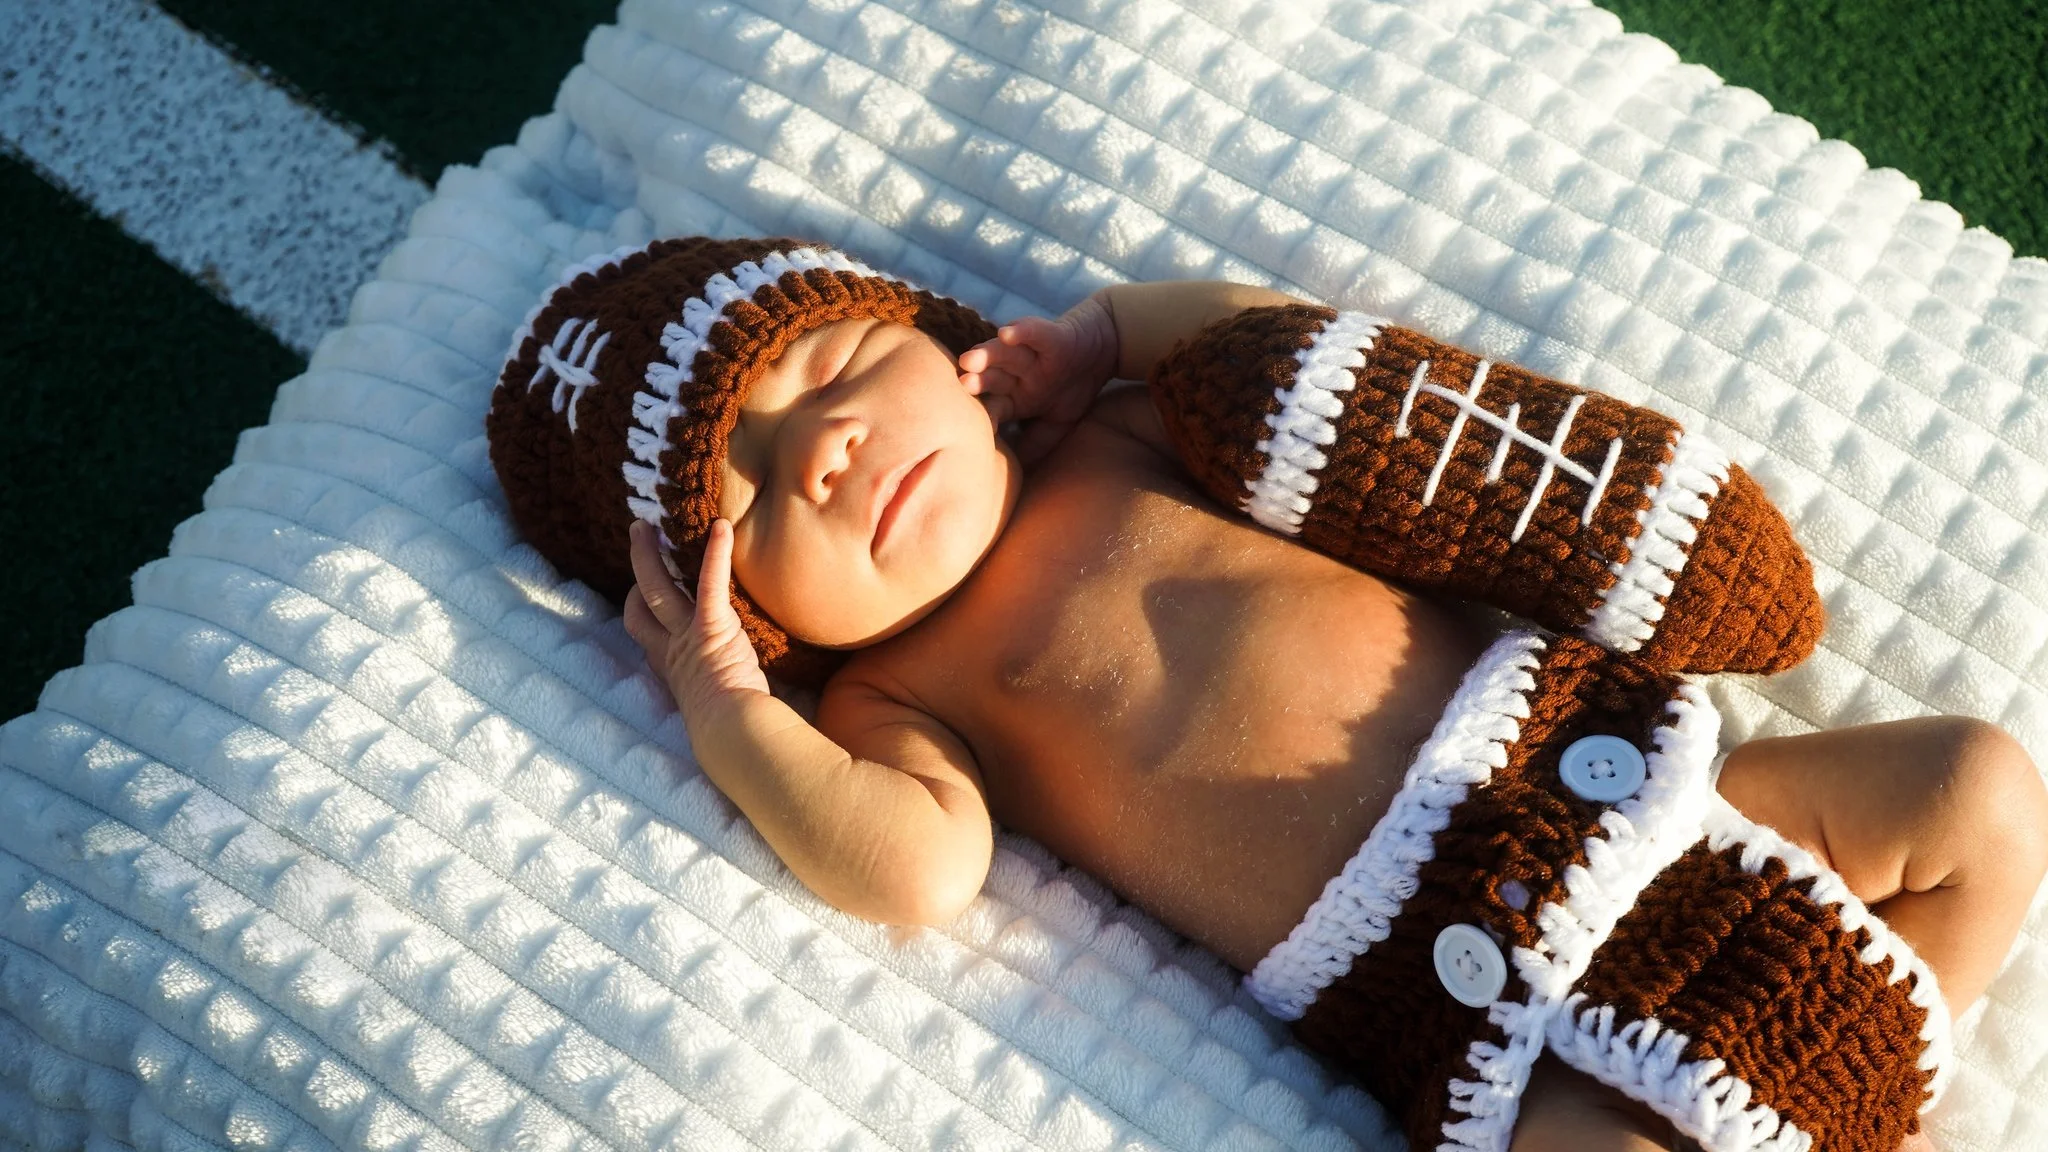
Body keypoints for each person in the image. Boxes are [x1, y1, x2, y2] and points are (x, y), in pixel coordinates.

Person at [486, 237, 2048, 1152]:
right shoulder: (894, 700)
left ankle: (1861, 1080)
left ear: (936, 339)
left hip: (1626, 776)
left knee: (1977, 790)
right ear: (746, 610)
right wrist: (731, 716)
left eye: (829, 363)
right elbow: (913, 870)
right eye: (747, 494)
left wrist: (1106, 328)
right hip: (1459, 995)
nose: (818, 448)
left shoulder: (1121, 427)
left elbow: (1279, 365)